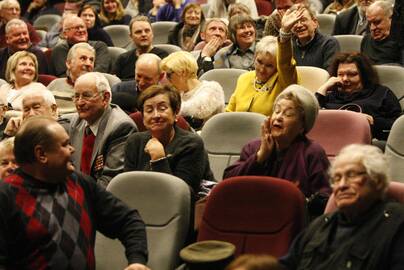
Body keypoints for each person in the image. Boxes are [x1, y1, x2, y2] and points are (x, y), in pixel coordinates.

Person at [0, 116, 149, 269]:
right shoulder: (6, 196)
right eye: (65, 145)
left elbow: (128, 220)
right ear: (41, 154)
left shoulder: (79, 182)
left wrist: (137, 260)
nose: (73, 149)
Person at [280, 144, 404, 270]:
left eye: (351, 176)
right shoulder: (320, 225)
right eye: (337, 179)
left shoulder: (397, 224)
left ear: (377, 180)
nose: (342, 185)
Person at [224, 84, 330, 198]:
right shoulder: (253, 147)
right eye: (277, 111)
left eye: (288, 114)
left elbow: (325, 198)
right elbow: (227, 183)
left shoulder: (312, 153)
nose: (278, 117)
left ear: (302, 126)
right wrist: (259, 158)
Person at [124, 84, 214, 196]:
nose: (156, 115)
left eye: (162, 108)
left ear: (176, 113)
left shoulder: (191, 144)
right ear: (143, 117)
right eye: (149, 110)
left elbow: (182, 195)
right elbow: (127, 187)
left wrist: (159, 160)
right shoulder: (135, 142)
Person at [226, 7, 301, 116]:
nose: (262, 69)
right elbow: (229, 113)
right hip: (237, 130)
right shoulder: (244, 79)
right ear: (255, 57)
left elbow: (286, 63)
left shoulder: (283, 81)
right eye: (259, 62)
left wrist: (284, 33)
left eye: (269, 66)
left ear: (277, 66)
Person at [67, 72, 137, 187]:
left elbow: (110, 180)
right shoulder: (77, 121)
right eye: (76, 96)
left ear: (105, 98)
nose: (79, 102)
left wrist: (78, 199)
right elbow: (71, 167)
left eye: (86, 95)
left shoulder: (121, 127)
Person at [316, 52, 401, 140]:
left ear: (364, 75)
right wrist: (323, 87)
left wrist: (373, 121)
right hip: (330, 139)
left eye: (352, 74)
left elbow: (398, 125)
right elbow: (310, 116)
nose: (345, 79)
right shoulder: (331, 95)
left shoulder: (382, 93)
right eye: (340, 74)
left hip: (366, 143)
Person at [160, 51, 225, 129]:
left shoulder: (212, 88)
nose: (167, 79)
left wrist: (164, 108)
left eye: (169, 74)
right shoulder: (179, 92)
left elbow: (198, 111)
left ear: (183, 72)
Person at [114, 16, 168, 81]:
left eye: (147, 31)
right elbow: (116, 83)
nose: (143, 34)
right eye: (138, 32)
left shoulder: (163, 57)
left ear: (152, 33)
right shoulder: (122, 59)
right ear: (131, 36)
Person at [47, 42, 95, 114]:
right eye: (83, 58)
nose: (88, 64)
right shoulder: (55, 84)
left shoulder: (96, 88)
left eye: (91, 60)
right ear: (69, 64)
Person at [290, 4, 339, 70]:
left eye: (303, 20)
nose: (299, 25)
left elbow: (330, 74)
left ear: (315, 23)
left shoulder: (329, 44)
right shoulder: (289, 46)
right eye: (295, 22)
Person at [361, 0, 403, 66]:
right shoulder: (366, 40)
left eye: (377, 22)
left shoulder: (400, 41)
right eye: (369, 24)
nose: (372, 28)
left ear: (391, 18)